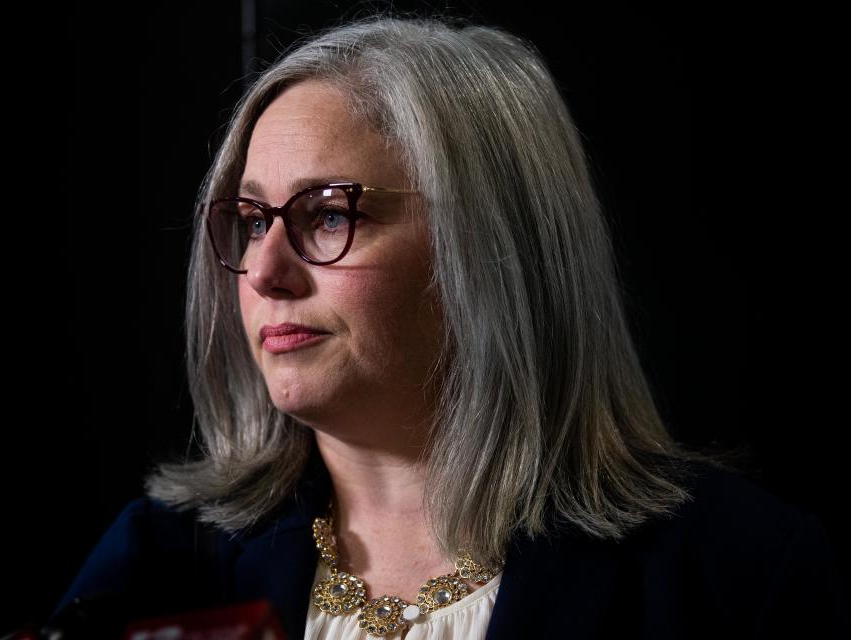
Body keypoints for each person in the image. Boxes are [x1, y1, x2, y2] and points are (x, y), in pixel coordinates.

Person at [45, 14, 846, 639]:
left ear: (492, 244)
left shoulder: (736, 573)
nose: (263, 273)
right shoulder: (158, 564)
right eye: (253, 222)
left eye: (327, 215)